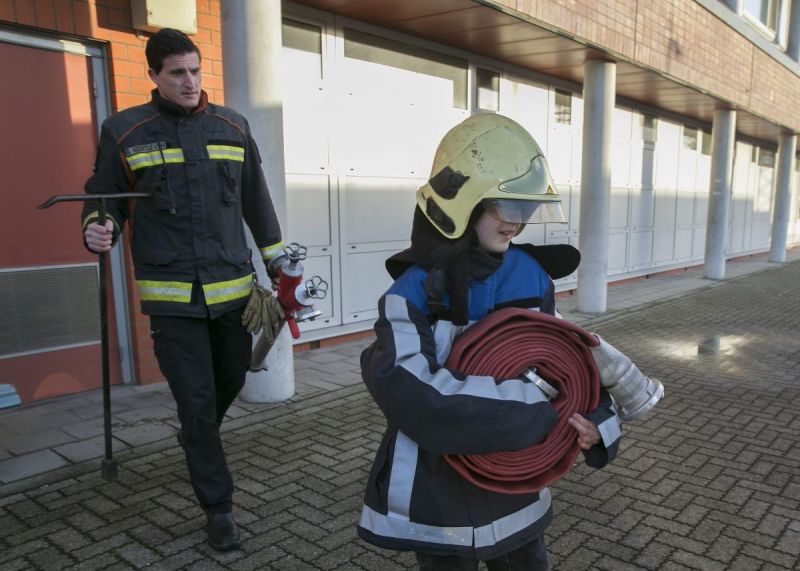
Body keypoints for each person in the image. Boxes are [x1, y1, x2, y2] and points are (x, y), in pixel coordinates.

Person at [357, 113, 623, 570]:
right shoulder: (410, 295)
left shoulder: (530, 276)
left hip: (516, 493)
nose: (517, 226)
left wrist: (600, 422)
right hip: (438, 502)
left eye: (528, 210)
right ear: (463, 202)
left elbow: (570, 365)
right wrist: (541, 407)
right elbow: (415, 395)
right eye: (509, 208)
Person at [81, 28, 283, 551]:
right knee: (194, 404)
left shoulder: (233, 126)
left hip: (233, 291)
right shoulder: (125, 131)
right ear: (153, 76)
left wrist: (278, 266)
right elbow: (104, 198)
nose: (190, 81)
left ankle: (197, 437)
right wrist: (97, 226)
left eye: (195, 70)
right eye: (177, 72)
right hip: (173, 299)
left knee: (232, 379)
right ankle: (219, 509)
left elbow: (256, 202)